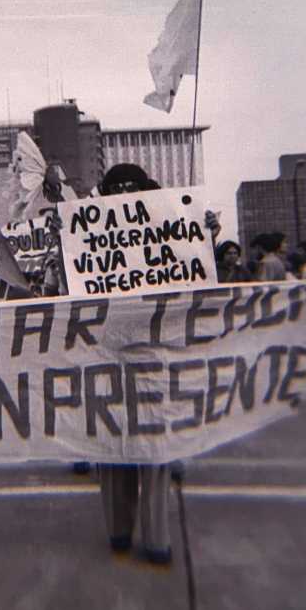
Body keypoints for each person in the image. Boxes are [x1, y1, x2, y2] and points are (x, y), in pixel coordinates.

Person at [91, 164, 175, 565]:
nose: (123, 193)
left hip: (155, 351)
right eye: (115, 188)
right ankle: (118, 530)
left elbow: (194, 282)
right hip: (107, 351)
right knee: (113, 442)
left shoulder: (168, 231)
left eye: (131, 187)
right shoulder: (85, 238)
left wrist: (204, 236)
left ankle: (157, 537)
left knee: (155, 441)